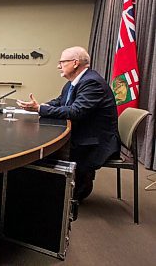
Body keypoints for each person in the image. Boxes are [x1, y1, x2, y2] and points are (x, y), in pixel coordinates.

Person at [17, 46, 120, 201]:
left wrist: (41, 109)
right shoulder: (74, 82)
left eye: (62, 62)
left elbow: (75, 112)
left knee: (46, 149)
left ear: (75, 63)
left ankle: (73, 188)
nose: (58, 66)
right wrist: (41, 106)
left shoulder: (92, 82)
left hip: (94, 142)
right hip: (84, 133)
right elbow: (60, 101)